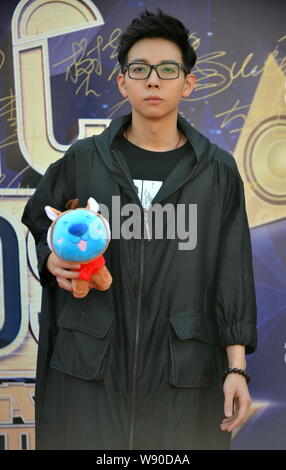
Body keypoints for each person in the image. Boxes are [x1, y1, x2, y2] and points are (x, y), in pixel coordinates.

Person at [21, 9, 257, 450]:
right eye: (140, 69)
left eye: (168, 70)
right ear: (122, 82)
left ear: (187, 83)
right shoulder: (83, 161)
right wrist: (51, 259)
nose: (153, 80)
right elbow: (40, 224)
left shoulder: (217, 172)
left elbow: (233, 275)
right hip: (91, 370)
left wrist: (237, 369)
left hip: (181, 374)